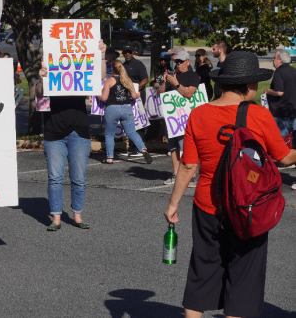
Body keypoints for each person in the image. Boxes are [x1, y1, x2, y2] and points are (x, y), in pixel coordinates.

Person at [163, 51, 296, 318]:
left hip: (207, 203)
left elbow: (189, 166)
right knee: (244, 274)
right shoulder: (258, 116)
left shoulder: (199, 114)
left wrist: (173, 203)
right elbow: (284, 158)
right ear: (248, 85)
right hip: (248, 204)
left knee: (202, 267)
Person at [36, 40, 106, 232]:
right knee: (55, 178)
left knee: (79, 178)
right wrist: (41, 78)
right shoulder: (49, 68)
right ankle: (56, 218)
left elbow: (99, 78)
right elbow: (39, 94)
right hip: (54, 132)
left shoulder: (81, 68)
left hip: (78, 131)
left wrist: (100, 55)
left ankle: (77, 216)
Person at [100, 60, 153, 165]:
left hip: (112, 109)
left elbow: (104, 98)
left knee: (109, 134)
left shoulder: (109, 81)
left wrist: (96, 93)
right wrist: (138, 94)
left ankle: (110, 158)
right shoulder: (127, 79)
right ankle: (143, 150)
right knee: (132, 132)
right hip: (126, 108)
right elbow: (133, 96)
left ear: (111, 69)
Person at [159, 51, 200, 186]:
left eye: (181, 61)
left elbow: (189, 93)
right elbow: (160, 93)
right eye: (177, 61)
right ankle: (175, 174)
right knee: (173, 146)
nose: (178, 64)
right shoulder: (172, 75)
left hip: (186, 118)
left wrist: (176, 84)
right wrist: (165, 82)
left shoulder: (193, 76)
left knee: (186, 147)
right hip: (173, 119)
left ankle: (192, 176)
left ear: (188, 61)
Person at [121, 45, 148, 158]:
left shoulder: (138, 64)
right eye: (125, 52)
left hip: (137, 96)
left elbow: (145, 80)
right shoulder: (122, 66)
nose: (127, 54)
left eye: (129, 52)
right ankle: (131, 148)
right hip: (127, 97)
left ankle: (138, 148)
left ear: (132, 52)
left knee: (139, 122)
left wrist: (134, 90)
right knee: (129, 121)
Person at [265, 50, 296, 138]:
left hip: (281, 113)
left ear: (280, 60)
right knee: (293, 141)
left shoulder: (279, 72)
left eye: (274, 58)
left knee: (282, 142)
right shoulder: (293, 71)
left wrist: (268, 91)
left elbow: (279, 92)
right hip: (292, 111)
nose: (272, 59)